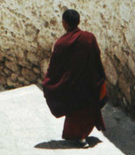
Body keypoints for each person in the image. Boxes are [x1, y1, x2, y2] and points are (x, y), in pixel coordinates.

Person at [42, 8, 107, 144]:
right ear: (78, 21)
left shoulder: (61, 43)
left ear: (64, 23)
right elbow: (96, 60)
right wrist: (100, 79)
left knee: (75, 112)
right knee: (85, 111)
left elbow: (55, 68)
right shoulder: (89, 38)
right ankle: (82, 134)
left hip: (72, 87)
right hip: (88, 85)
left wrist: (48, 83)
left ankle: (79, 136)